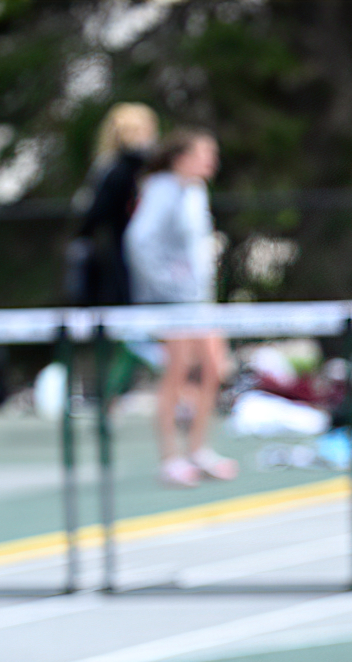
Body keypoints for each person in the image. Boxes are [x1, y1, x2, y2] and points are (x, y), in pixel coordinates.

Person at [125, 128, 237, 487]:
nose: (211, 162)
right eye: (204, 153)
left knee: (214, 368)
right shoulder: (162, 189)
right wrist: (169, 284)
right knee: (177, 373)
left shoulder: (196, 191)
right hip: (171, 303)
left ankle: (199, 449)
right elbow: (140, 242)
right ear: (181, 157)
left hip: (198, 301)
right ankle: (170, 458)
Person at [71, 103, 157, 307]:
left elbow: (92, 214)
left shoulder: (147, 171)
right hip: (118, 252)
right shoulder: (116, 170)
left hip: (135, 253)